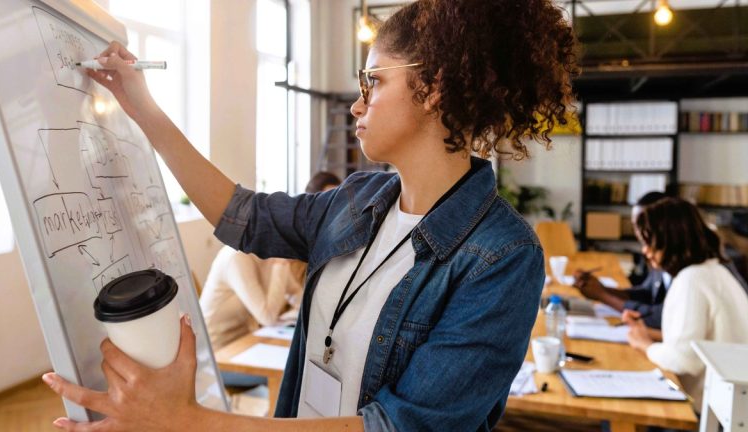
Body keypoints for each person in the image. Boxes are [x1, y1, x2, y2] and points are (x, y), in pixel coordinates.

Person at [42, 1, 579, 430]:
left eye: (373, 81)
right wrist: (142, 107)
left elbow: (402, 426)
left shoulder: (503, 256)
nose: (356, 104)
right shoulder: (358, 197)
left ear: (432, 87)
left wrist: (188, 422)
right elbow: (244, 216)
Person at [200, 172, 340, 387]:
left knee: (303, 366)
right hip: (217, 359)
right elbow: (267, 316)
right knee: (293, 376)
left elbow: (299, 299)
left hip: (248, 345)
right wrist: (281, 265)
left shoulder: (266, 258)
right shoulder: (237, 258)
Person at [623, 198, 748, 409]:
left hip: (709, 409)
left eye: (649, 242)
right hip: (732, 404)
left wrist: (645, 345)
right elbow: (700, 343)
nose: (645, 251)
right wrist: (648, 334)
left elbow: (685, 361)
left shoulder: (692, 279)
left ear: (670, 239)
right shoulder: (713, 271)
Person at [574, 191, 748, 332]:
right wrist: (600, 289)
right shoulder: (667, 255)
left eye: (643, 226)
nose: (638, 234)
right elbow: (648, 294)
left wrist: (602, 296)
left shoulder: (694, 271)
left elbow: (661, 317)